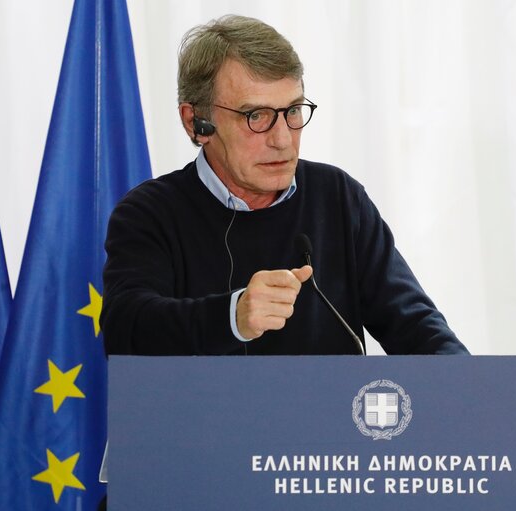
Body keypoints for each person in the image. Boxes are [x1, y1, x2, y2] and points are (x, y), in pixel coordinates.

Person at [101, 15, 468, 356]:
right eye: (256, 116)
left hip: (334, 422)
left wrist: (475, 388)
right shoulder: (149, 213)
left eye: (292, 111)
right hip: (209, 425)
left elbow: (415, 325)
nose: (282, 139)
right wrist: (233, 316)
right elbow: (125, 328)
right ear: (197, 122)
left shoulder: (337, 196)